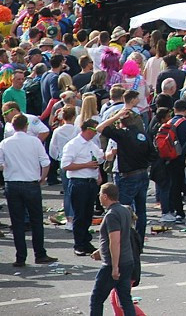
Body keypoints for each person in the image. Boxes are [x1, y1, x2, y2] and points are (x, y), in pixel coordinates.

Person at [0, 113, 57, 267]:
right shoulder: (34, 142)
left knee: (17, 222)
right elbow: (46, 162)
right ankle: (40, 254)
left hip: (12, 184)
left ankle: (20, 257)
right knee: (36, 220)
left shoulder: (5, 143)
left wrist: (9, 168)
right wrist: (42, 178)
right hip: (31, 183)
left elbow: (0, 164)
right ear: (26, 126)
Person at [87, 183, 137, 316]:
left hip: (113, 264)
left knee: (96, 299)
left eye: (100, 195)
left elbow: (115, 241)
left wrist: (114, 267)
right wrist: (100, 251)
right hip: (127, 260)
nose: (98, 197)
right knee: (125, 299)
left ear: (105, 196)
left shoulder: (111, 215)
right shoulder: (124, 210)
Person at [61, 118, 104, 256]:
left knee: (87, 214)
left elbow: (97, 159)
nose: (94, 134)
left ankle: (86, 241)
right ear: (85, 129)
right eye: (93, 131)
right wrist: (85, 165)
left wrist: (97, 173)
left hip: (90, 182)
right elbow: (65, 165)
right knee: (79, 214)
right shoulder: (73, 145)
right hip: (78, 182)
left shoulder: (91, 145)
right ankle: (78, 244)